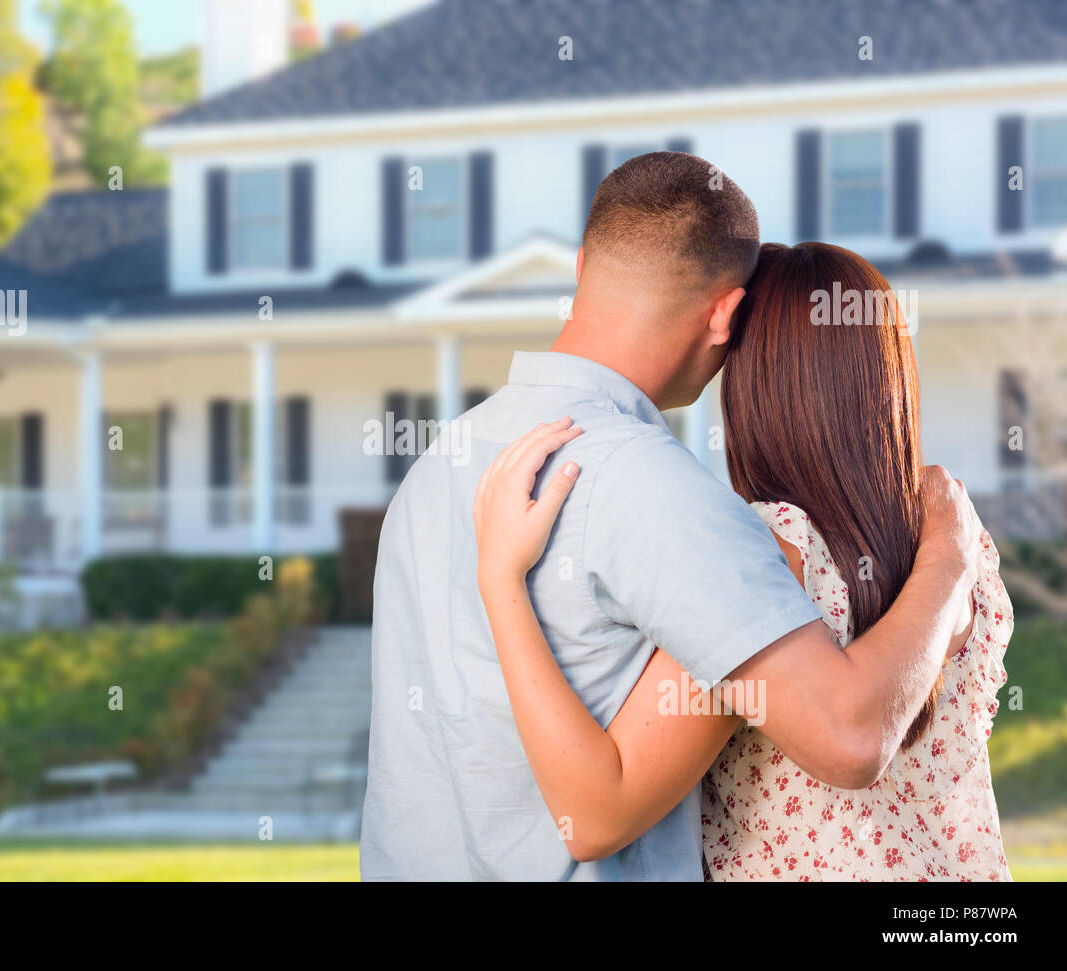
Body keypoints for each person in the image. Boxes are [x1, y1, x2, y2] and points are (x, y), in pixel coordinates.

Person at [360, 152, 983, 880]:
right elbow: (849, 736)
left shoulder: (437, 468)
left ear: (584, 262)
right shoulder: (658, 490)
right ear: (725, 314)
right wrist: (950, 558)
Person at [472, 242, 1011, 880]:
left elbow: (596, 814)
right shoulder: (955, 542)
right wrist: (948, 551)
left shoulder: (770, 551)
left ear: (754, 389)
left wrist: (500, 577)